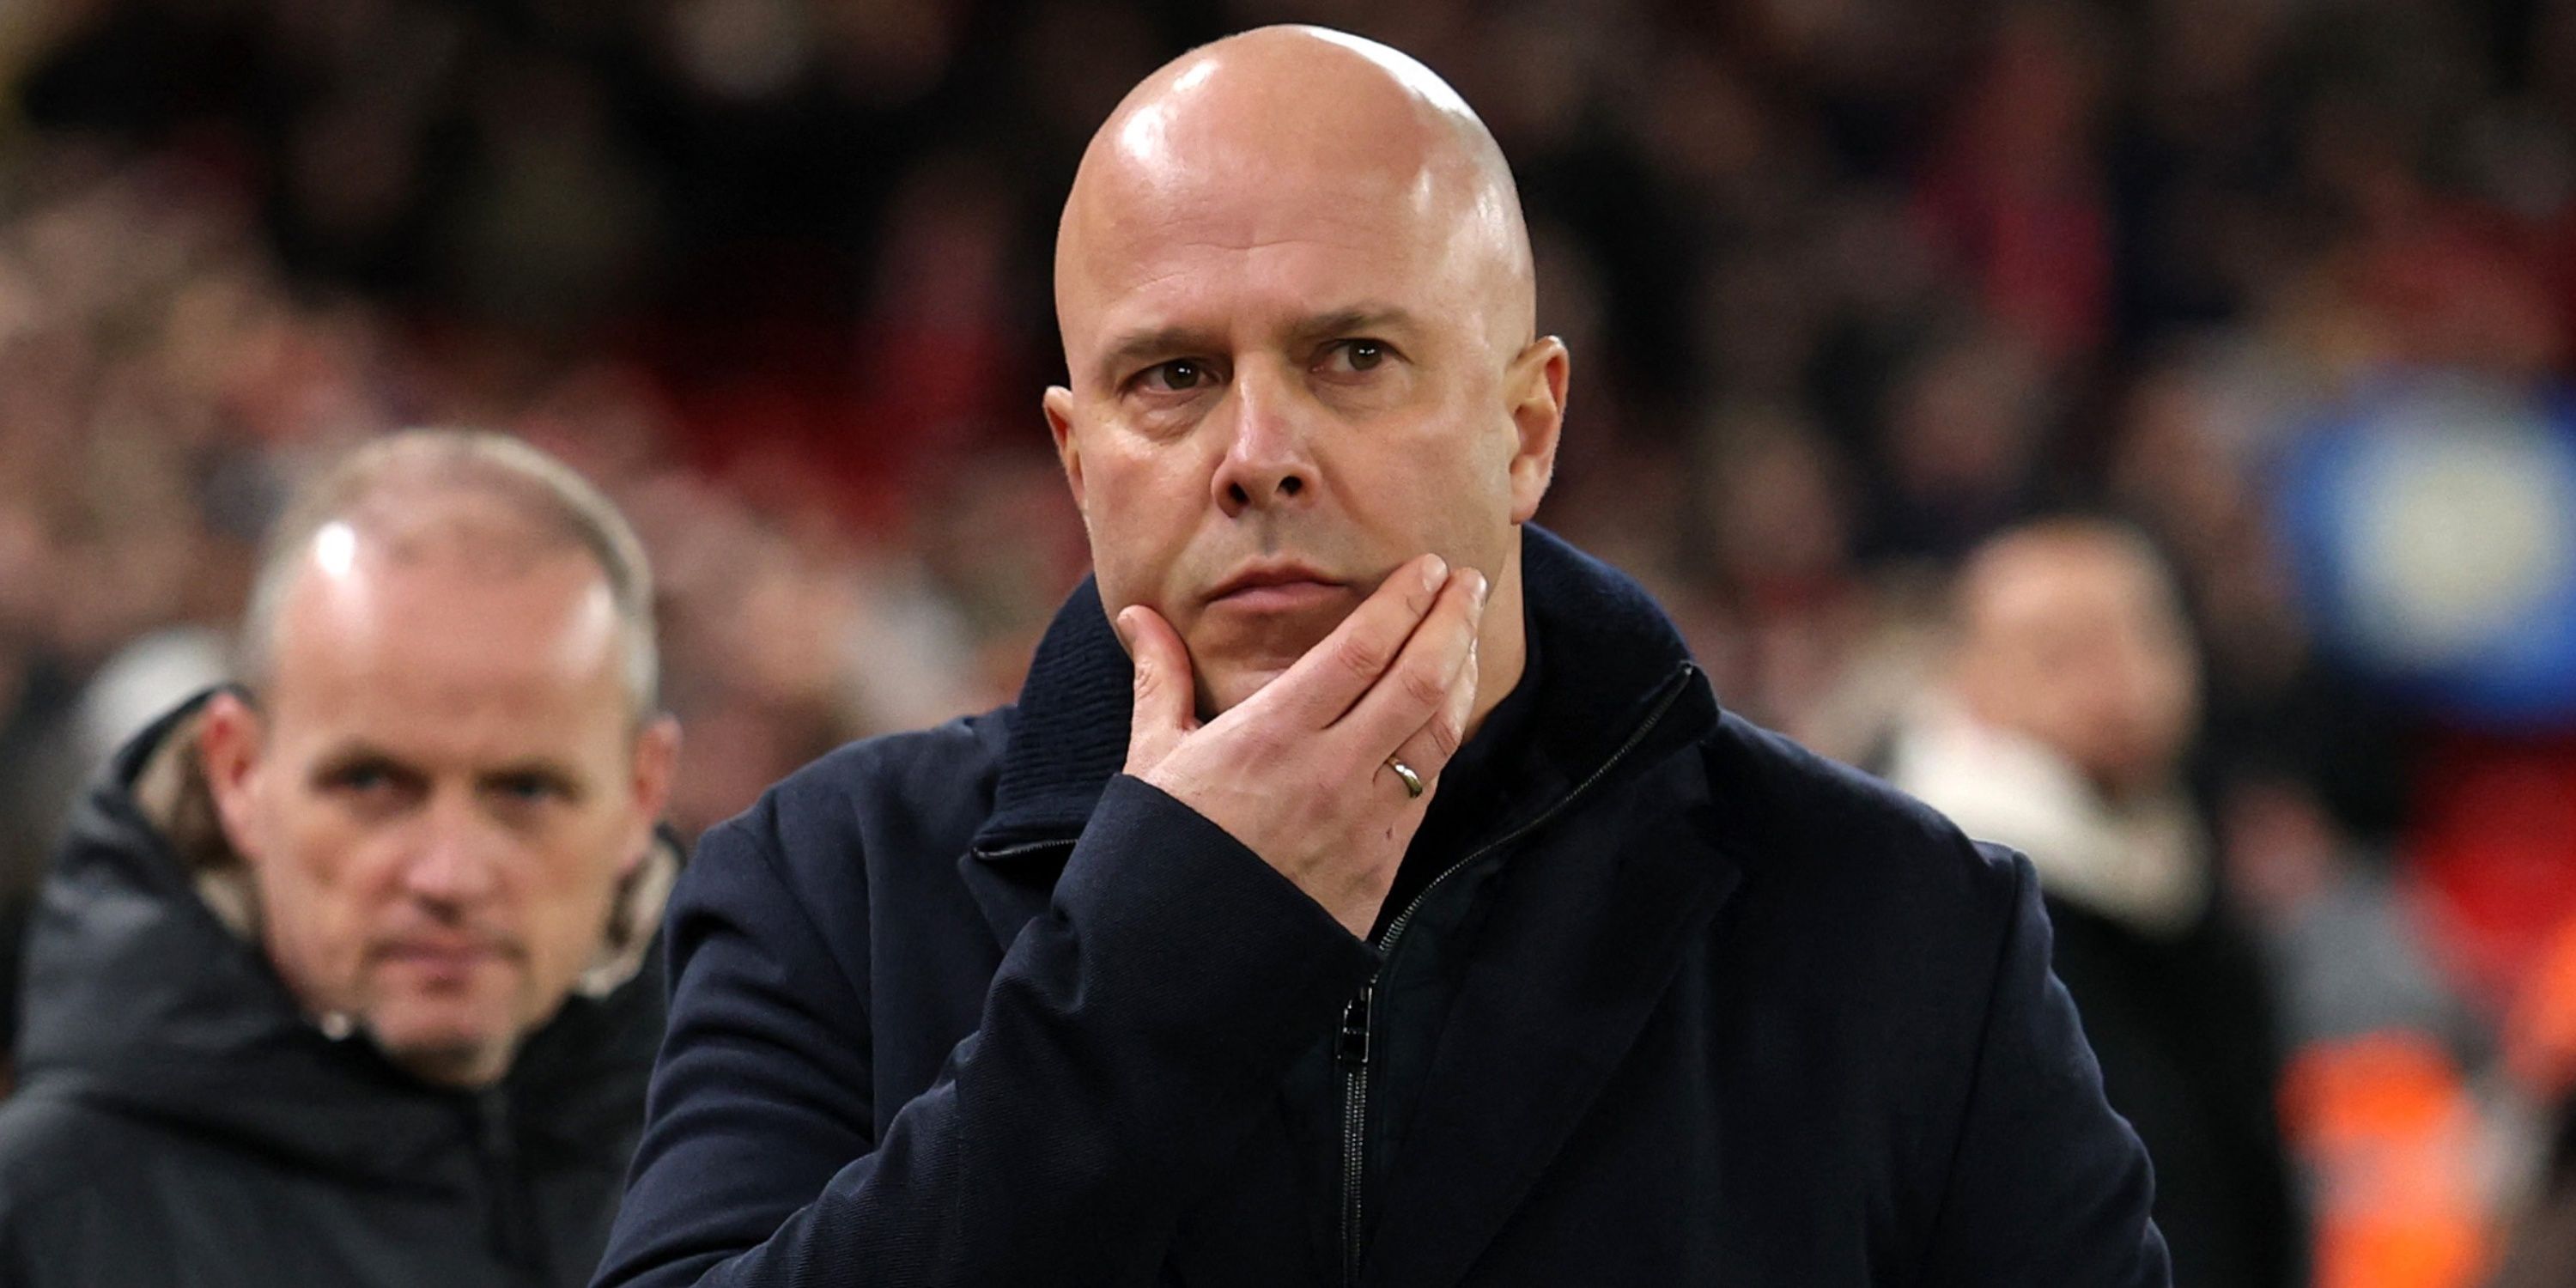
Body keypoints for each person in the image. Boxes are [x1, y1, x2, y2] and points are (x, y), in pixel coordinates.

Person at [596, 26, 2168, 1288]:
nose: (1256, 452)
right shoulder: (823, 887)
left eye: (1353, 357)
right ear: (1077, 462)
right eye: (1172, 375)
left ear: (1527, 426)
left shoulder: (1906, 933)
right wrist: (1158, 963)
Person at [0, 430, 683, 1287]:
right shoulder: (36, 1230)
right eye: (371, 782)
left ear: (643, 794)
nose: (449, 875)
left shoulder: (769, 1199)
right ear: (238, 773)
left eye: (527, 792)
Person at [1882, 519, 2306, 1288]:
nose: (2117, 683)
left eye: (2142, 637)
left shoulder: (2185, 853)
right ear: (1967, 679)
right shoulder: (1932, 899)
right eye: (2060, 655)